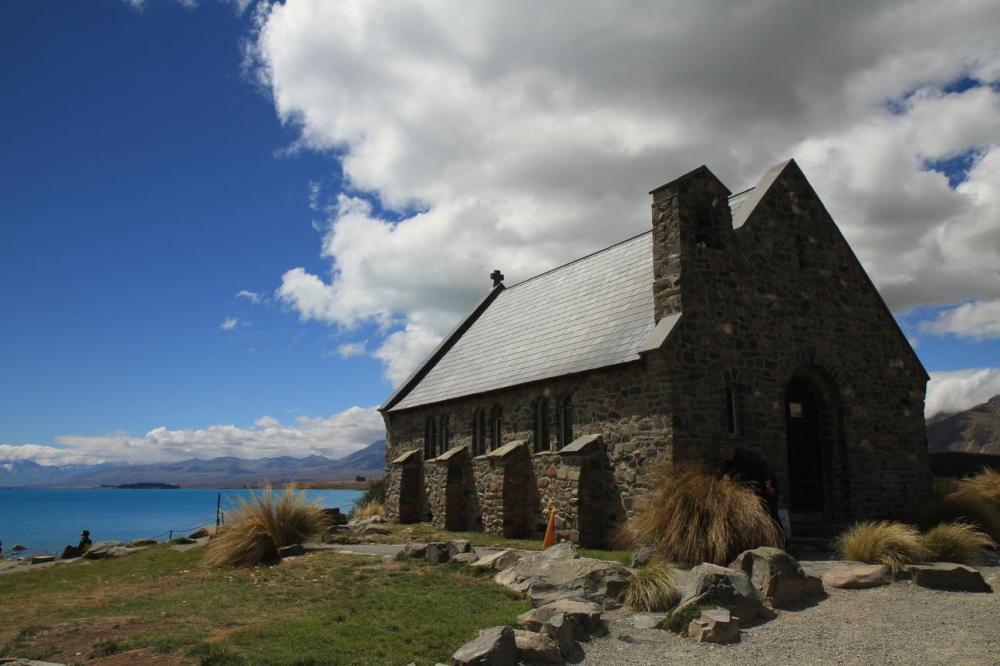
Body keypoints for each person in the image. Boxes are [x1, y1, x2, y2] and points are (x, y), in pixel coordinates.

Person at [718, 445, 781, 527]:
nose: (725, 458)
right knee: (759, 509)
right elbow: (726, 473)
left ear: (730, 453)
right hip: (755, 487)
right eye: (724, 457)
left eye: (726, 456)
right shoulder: (729, 461)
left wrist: (768, 485)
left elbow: (762, 465)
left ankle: (778, 534)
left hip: (766, 483)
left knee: (771, 510)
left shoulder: (745, 456)